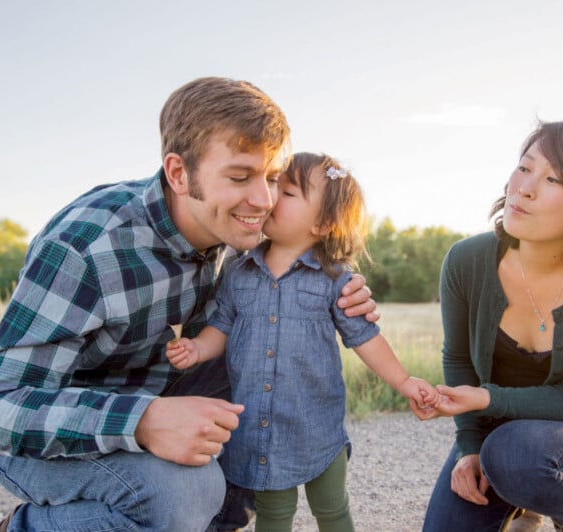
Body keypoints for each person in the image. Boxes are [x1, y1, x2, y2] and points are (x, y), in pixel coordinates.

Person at [0, 77, 378, 532]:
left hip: (164, 392)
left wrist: (343, 285)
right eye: (240, 177)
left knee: (267, 364)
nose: (263, 201)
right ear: (179, 174)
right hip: (52, 436)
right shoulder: (88, 248)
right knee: (184, 492)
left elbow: (314, 232)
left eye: (274, 178)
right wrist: (142, 420)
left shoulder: (245, 233)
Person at [167, 152, 439, 532]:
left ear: (324, 222)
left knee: (331, 509)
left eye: (289, 192)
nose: (271, 196)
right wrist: (197, 348)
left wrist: (405, 382)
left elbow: (366, 339)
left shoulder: (334, 280)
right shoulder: (239, 271)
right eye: (275, 184)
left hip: (317, 425)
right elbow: (222, 327)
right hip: (260, 428)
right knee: (274, 513)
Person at [414, 119, 563, 531]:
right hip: (496, 436)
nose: (523, 188)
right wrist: (469, 448)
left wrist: (483, 400)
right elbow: (457, 357)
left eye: (553, 179)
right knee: (496, 462)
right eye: (524, 167)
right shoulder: (466, 261)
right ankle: (526, 497)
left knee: (515, 454)